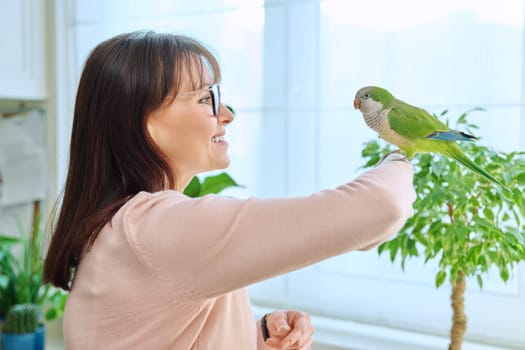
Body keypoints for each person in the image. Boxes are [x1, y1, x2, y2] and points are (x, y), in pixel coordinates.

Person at [43, 31, 416, 350]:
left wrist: (256, 334)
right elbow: (381, 205)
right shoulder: (155, 228)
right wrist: (405, 152)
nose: (227, 115)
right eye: (206, 99)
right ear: (142, 124)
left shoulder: (124, 228)